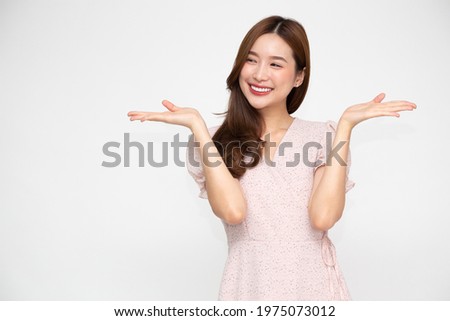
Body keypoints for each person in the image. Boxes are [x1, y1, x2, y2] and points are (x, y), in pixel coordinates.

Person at [127, 15, 416, 300]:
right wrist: (200, 130)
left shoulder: (322, 137)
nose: (259, 74)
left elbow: (323, 217)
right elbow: (233, 212)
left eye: (276, 64)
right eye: (251, 60)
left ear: (299, 76)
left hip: (314, 291)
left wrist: (345, 127)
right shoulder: (216, 140)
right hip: (248, 286)